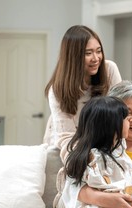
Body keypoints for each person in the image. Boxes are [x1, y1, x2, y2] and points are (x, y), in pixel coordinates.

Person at [43, 25, 122, 163]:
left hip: (103, 148)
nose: (96, 58)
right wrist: (85, 164)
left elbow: (120, 115)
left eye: (99, 51)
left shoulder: (109, 70)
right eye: (88, 53)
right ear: (73, 57)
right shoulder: (57, 89)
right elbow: (66, 137)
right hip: (68, 149)